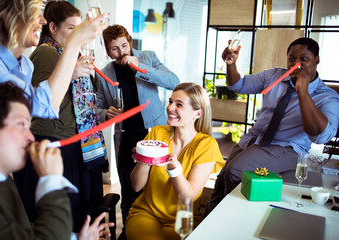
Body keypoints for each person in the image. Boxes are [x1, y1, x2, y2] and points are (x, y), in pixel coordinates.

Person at [206, 37, 339, 214]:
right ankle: (209, 221)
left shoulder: (327, 97)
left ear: (317, 59)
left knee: (236, 172)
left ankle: (233, 216)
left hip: (287, 148)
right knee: (222, 178)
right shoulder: (275, 76)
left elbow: (322, 136)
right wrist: (231, 64)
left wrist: (303, 92)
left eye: (304, 59)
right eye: (292, 59)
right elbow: (238, 84)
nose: (297, 64)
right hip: (255, 140)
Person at [13, 1, 108, 233]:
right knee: (68, 208)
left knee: (84, 207)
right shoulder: (46, 51)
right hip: (57, 140)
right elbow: (39, 99)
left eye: (80, 28)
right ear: (53, 28)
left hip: (80, 140)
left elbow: (82, 101)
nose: (78, 34)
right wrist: (72, 72)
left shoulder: (72, 53)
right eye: (72, 29)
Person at [0, 80, 114, 240]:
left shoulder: (2, 181)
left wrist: (76, 238)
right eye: (20, 124)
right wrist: (51, 180)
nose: (30, 137)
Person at [96, 24, 180, 227]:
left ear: (130, 42)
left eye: (124, 45)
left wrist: (141, 68)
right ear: (107, 50)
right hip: (125, 138)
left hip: (156, 135)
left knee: (159, 188)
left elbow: (174, 81)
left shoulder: (148, 58)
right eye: (114, 48)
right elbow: (97, 107)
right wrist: (105, 113)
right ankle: (129, 230)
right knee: (129, 192)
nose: (121, 52)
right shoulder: (104, 72)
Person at [125, 82, 225, 240]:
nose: (170, 108)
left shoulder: (206, 145)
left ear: (197, 114)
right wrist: (143, 159)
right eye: (170, 101)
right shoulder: (157, 134)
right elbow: (136, 186)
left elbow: (188, 196)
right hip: (145, 214)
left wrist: (174, 169)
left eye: (179, 104)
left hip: (183, 219)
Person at [0, 0, 105, 119]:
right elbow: (43, 105)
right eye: (34, 14)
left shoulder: (26, 65)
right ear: (9, 18)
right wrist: (75, 42)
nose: (43, 21)